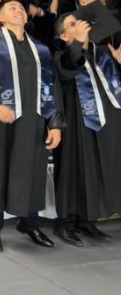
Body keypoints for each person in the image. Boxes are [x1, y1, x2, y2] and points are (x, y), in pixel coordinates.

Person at [0, 0, 62, 252]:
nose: (19, 10)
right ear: (0, 18)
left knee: (31, 172)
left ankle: (29, 224)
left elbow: (51, 90)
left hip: (33, 123)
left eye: (21, 8)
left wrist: (55, 124)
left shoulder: (41, 51)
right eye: (12, 8)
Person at [50, 12, 121, 245]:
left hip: (105, 125)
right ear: (64, 36)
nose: (80, 25)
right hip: (76, 124)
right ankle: (65, 223)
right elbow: (69, 66)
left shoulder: (102, 55)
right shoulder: (61, 56)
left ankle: (88, 221)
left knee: (97, 171)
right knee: (73, 171)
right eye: (73, 24)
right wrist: (79, 43)